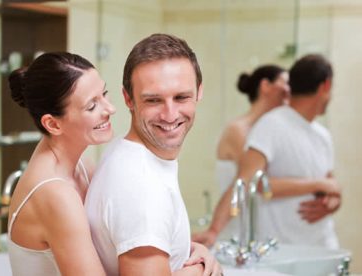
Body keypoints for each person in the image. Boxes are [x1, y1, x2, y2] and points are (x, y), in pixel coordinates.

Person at [86, 33, 222, 276]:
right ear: (128, 98)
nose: (170, 115)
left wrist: (189, 251)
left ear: (199, 92)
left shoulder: (125, 152)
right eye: (153, 100)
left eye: (181, 97)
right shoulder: (142, 187)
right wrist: (202, 270)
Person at [193, 54, 341, 249]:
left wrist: (333, 200)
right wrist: (213, 231)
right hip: (284, 249)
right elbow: (248, 182)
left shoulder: (323, 136)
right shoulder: (269, 125)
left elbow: (330, 184)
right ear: (326, 86)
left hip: (325, 245)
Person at [7, 52, 115, 275]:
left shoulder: (81, 164)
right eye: (92, 105)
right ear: (53, 124)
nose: (109, 109)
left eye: (103, 94)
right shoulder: (54, 193)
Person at [215, 65, 290, 194]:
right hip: (240, 212)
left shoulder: (270, 131)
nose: (289, 90)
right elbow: (260, 181)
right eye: (285, 83)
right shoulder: (237, 130)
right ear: (265, 86)